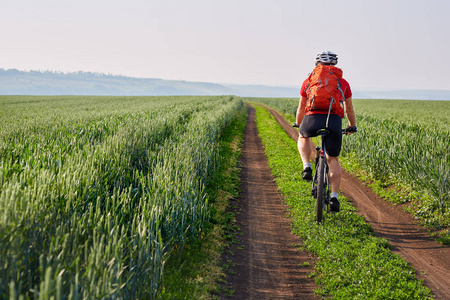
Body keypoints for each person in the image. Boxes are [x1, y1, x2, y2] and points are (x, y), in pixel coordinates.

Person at [295, 51, 357, 212]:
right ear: (334, 65)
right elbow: (349, 108)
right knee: (333, 159)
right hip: (333, 120)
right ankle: (334, 198)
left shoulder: (309, 81)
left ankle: (307, 166)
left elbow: (301, 107)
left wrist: (298, 123)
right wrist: (352, 125)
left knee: (302, 135)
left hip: (312, 118)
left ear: (317, 64)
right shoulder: (343, 83)